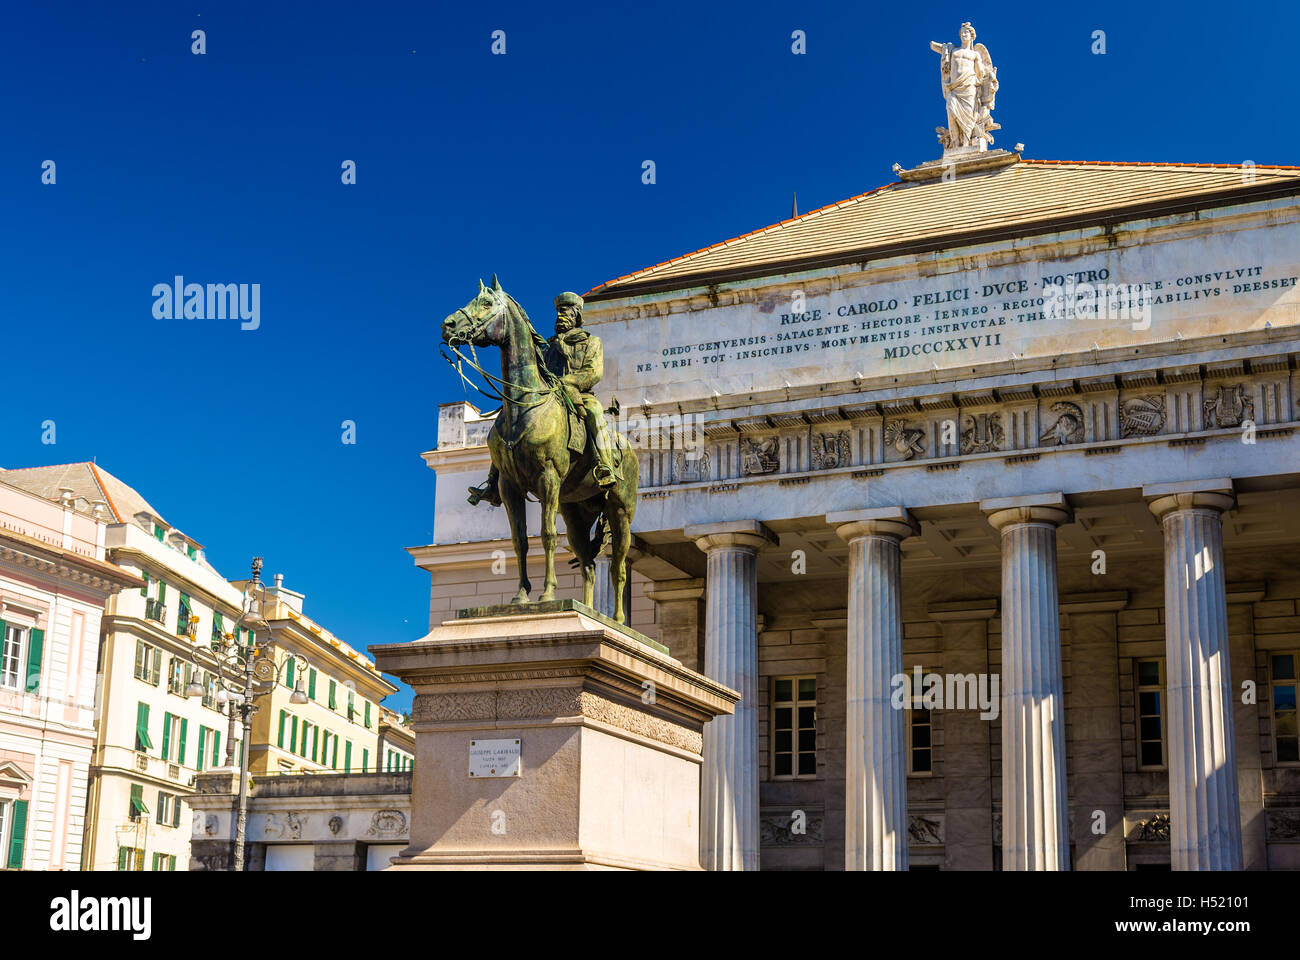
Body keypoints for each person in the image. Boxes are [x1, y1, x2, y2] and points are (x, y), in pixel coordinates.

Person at [468, 291, 617, 506]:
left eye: (566, 312)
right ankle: (493, 482)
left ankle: (605, 466)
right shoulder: (547, 346)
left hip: (579, 394)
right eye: (559, 312)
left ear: (576, 317)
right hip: (551, 397)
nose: (561, 316)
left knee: (594, 413)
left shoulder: (591, 342)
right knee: (508, 420)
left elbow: (593, 371)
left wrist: (569, 382)